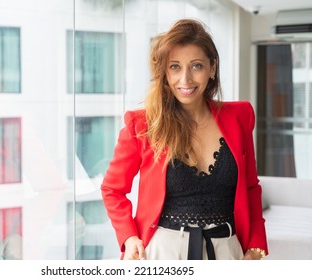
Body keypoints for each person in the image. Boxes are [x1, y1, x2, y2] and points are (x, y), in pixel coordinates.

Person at [100, 18, 268, 260]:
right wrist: (129, 236)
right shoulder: (142, 124)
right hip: (163, 252)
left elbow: (251, 187)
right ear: (164, 73)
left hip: (227, 252)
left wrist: (256, 245)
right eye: (175, 67)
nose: (185, 79)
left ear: (212, 67)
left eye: (196, 66)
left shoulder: (240, 117)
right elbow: (112, 189)